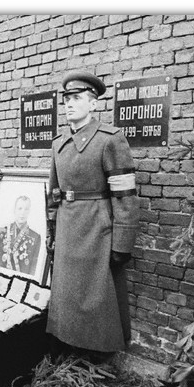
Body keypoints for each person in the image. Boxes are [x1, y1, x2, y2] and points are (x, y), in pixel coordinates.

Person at [46, 70, 139, 363]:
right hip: (67, 224)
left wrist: (122, 243)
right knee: (67, 292)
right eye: (66, 100)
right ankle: (70, 347)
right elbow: (53, 190)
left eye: (76, 99)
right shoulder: (58, 143)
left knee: (96, 293)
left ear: (93, 103)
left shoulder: (110, 140)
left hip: (97, 227)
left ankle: (98, 354)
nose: (69, 105)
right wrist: (52, 228)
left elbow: (125, 196)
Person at [0, 195, 42, 276]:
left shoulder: (35, 237)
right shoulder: (2, 232)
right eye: (20, 208)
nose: (22, 213)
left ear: (29, 212)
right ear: (14, 210)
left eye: (26, 209)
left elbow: (33, 268)